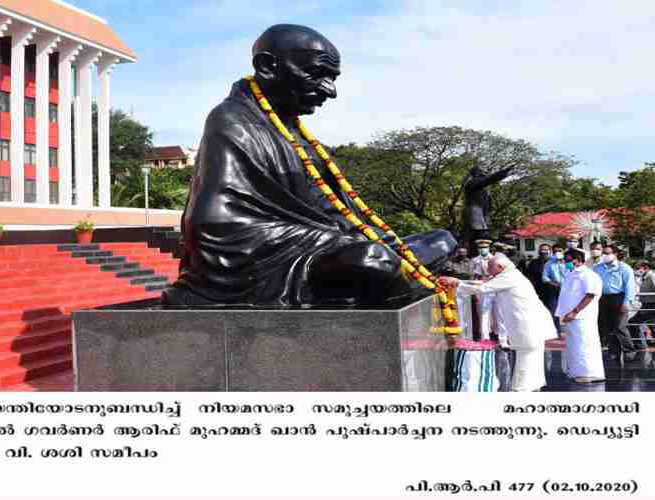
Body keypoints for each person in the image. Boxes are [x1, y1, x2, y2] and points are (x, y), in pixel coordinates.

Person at [163, 24, 457, 307]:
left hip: (335, 248)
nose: (330, 91)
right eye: (316, 74)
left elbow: (337, 212)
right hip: (279, 262)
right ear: (267, 66)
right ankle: (399, 283)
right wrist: (334, 239)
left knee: (442, 241)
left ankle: (397, 281)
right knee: (374, 260)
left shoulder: (295, 132)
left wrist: (354, 236)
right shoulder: (233, 121)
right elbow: (213, 224)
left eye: (333, 78)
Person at [438, 254, 557, 391]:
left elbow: (482, 288)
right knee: (531, 354)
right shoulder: (507, 275)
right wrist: (458, 281)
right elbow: (483, 283)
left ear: (500, 267)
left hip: (529, 322)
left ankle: (523, 388)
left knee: (527, 354)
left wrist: (457, 283)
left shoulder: (509, 277)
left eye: (490, 267)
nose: (487, 270)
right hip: (530, 321)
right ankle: (532, 385)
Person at [555, 248, 605, 383]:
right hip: (570, 317)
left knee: (585, 344)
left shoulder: (588, 275)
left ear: (577, 260)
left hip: (582, 317)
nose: (566, 263)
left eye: (568, 260)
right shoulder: (571, 273)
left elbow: (590, 295)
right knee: (574, 345)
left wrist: (575, 311)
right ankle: (577, 372)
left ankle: (589, 374)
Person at [594, 244, 638, 361]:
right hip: (603, 299)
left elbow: (630, 287)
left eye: (608, 253)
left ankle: (629, 352)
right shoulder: (598, 268)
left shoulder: (624, 268)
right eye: (604, 253)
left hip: (619, 298)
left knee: (620, 327)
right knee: (607, 327)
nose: (605, 256)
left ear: (615, 254)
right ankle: (613, 352)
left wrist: (626, 302)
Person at [627, 261, 655, 348]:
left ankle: (639, 344)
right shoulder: (644, 277)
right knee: (651, 323)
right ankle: (642, 343)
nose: (636, 270)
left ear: (646, 267)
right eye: (635, 268)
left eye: (638, 268)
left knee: (633, 322)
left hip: (651, 305)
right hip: (646, 304)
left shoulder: (651, 276)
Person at [542, 243, 568, 335]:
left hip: (567, 289)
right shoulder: (549, 263)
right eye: (555, 251)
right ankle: (556, 330)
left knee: (568, 309)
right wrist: (554, 284)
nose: (557, 253)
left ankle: (569, 330)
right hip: (553, 288)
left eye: (559, 251)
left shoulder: (568, 262)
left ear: (563, 251)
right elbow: (545, 278)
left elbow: (573, 274)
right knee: (553, 310)